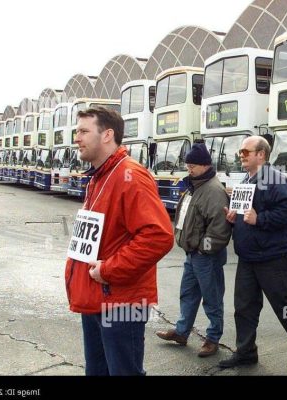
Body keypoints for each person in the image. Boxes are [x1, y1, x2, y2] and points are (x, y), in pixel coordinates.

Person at [65, 107, 174, 375]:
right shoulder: (99, 177)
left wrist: (109, 270)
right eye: (76, 131)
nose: (76, 138)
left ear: (107, 135)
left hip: (120, 301)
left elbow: (158, 235)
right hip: (96, 298)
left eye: (83, 131)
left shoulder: (130, 176)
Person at [219, 136, 287, 368]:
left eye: (246, 151)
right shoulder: (247, 178)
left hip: (273, 257)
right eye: (240, 151)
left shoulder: (276, 180)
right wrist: (234, 218)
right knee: (244, 307)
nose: (241, 155)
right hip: (248, 256)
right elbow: (246, 213)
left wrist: (259, 218)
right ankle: (245, 352)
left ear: (261, 154)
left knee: (282, 306)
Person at [155, 141, 231, 357]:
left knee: (212, 298)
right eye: (188, 165)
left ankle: (213, 339)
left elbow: (219, 228)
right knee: (188, 294)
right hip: (194, 253)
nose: (189, 168)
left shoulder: (213, 190)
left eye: (193, 166)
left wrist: (202, 250)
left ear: (205, 165)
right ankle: (181, 332)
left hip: (205, 256)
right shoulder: (194, 186)